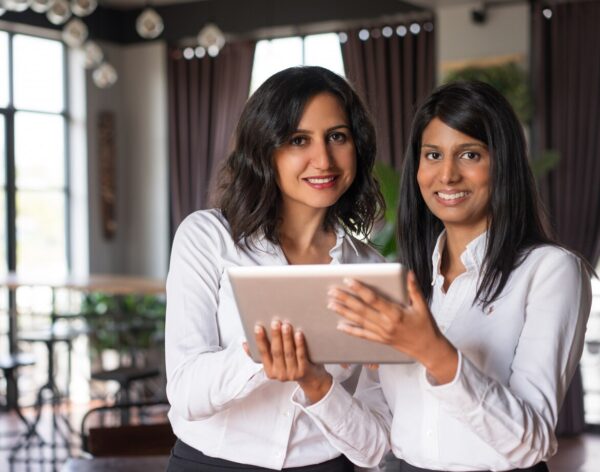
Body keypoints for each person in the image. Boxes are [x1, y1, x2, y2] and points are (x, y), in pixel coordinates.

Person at [294, 81, 592, 472]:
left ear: (503, 164)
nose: (447, 175)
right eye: (432, 155)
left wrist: (434, 352)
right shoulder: (399, 287)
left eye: (470, 154)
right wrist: (314, 383)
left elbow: (529, 443)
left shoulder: (550, 272)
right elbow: (373, 445)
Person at [164, 66, 387, 472]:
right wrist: (259, 354)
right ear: (265, 148)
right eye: (298, 140)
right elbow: (185, 393)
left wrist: (317, 384)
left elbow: (373, 448)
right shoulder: (207, 237)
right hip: (210, 464)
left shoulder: (371, 269)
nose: (323, 159)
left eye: (337, 136)